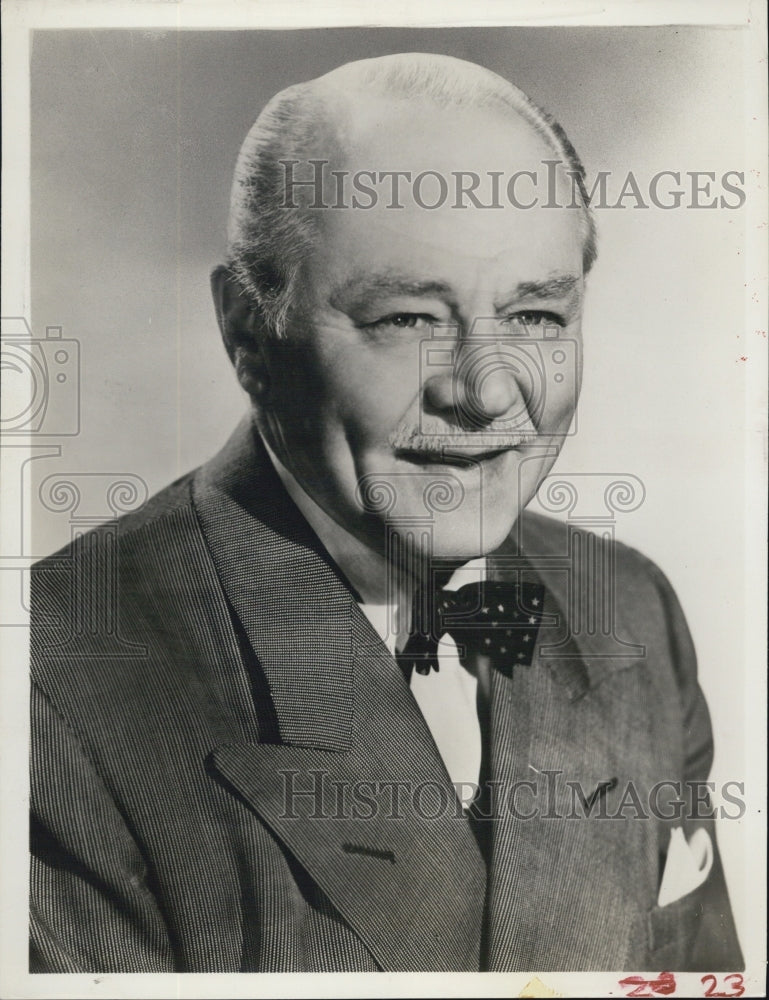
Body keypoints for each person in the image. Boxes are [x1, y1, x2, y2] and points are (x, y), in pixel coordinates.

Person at [29, 52, 742, 973]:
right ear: (248, 333)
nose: (486, 395)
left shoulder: (634, 612)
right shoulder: (51, 692)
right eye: (408, 318)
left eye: (534, 318)